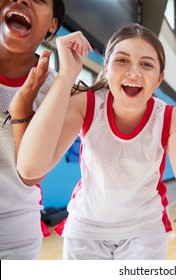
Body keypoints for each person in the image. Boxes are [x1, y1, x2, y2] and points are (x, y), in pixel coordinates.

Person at [16, 23, 176, 260]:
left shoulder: (170, 118)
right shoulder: (86, 103)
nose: (134, 72)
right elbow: (30, 168)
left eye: (147, 64)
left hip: (144, 232)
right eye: (122, 60)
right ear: (106, 68)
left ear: (159, 79)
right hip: (86, 229)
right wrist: (67, 74)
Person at [0, 0, 65, 260]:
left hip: (13, 228)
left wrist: (24, 106)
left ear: (52, 25)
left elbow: (30, 174)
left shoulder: (55, 90)